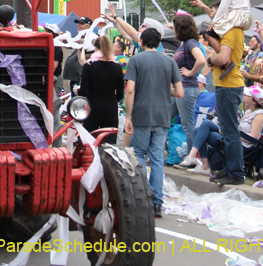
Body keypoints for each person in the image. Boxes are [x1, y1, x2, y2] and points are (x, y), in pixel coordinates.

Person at [190, 0, 252, 187]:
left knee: (229, 131)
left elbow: (223, 58)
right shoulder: (234, 30)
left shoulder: (231, 30)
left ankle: (235, 172)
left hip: (228, 85)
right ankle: (231, 170)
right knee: (228, 129)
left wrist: (212, 59)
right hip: (229, 83)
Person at [123, 27, 183, 218]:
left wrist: (128, 116)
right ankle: (157, 201)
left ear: (141, 42)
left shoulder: (136, 60)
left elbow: (130, 90)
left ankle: (142, 195)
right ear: (159, 44)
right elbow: (179, 93)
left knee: (138, 153)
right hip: (162, 115)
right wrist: (165, 90)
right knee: (157, 157)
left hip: (142, 113)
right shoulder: (169, 61)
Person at [176, 85, 263, 175]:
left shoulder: (259, 115)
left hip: (242, 145)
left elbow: (253, 138)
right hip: (233, 137)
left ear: (254, 101)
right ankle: (201, 163)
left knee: (203, 126)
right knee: (198, 129)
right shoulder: (248, 112)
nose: (243, 96)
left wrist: (230, 134)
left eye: (246, 95)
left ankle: (197, 160)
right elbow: (238, 129)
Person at [78, 35, 124, 144]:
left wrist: (77, 91)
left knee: (89, 143)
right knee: (110, 144)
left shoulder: (89, 65)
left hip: (92, 107)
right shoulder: (117, 67)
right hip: (110, 108)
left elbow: (83, 92)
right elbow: (120, 94)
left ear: (95, 48)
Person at [172, 13, 206, 155]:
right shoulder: (184, 43)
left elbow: (202, 60)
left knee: (187, 125)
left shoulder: (190, 43)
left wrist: (191, 72)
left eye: (175, 27)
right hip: (181, 88)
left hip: (187, 87)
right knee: (166, 119)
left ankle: (191, 157)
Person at [61, 17, 94, 94]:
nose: (78, 25)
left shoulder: (91, 37)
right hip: (75, 77)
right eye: (78, 23)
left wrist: (70, 40)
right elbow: (70, 45)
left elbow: (84, 43)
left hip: (82, 77)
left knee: (79, 102)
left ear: (88, 26)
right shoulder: (80, 37)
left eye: (81, 23)